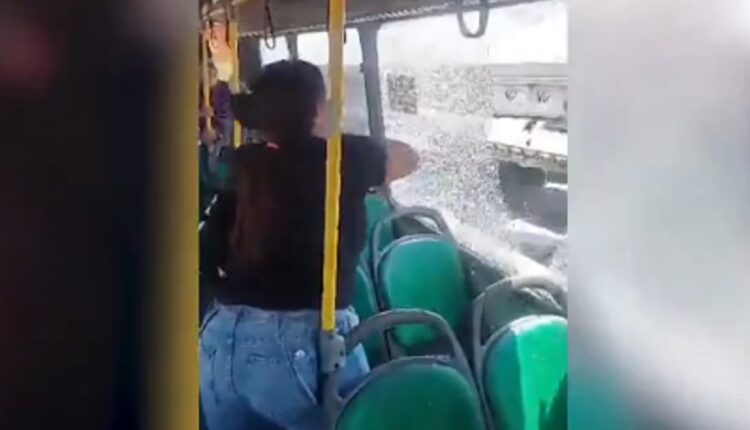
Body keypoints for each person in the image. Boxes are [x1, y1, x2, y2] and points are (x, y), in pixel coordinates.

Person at [199, 59, 419, 430]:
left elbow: (209, 248)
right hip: (296, 342)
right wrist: (332, 134)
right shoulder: (338, 159)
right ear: (317, 109)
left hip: (220, 337)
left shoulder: (243, 164)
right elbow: (408, 157)